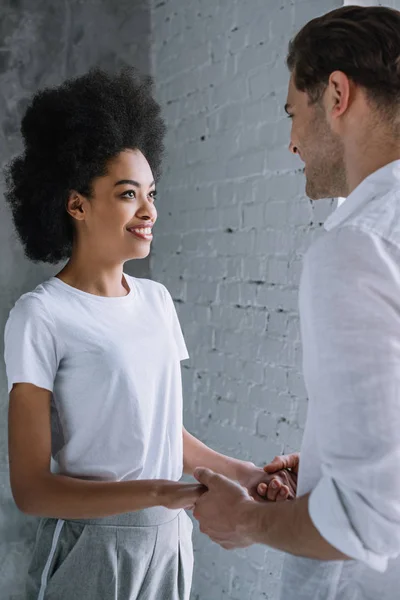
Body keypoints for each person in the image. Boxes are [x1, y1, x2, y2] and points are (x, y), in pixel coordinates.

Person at [3, 67, 295, 600]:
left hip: (171, 540)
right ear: (76, 205)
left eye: (151, 192)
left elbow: (158, 433)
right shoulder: (40, 315)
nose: (149, 210)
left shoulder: (157, 302)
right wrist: (160, 492)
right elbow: (31, 489)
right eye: (127, 194)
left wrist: (245, 474)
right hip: (91, 547)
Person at [192, 6, 400, 599]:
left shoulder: (358, 249)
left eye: (292, 113)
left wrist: (245, 519)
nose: (290, 142)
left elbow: (369, 520)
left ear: (336, 93)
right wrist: (331, 464)